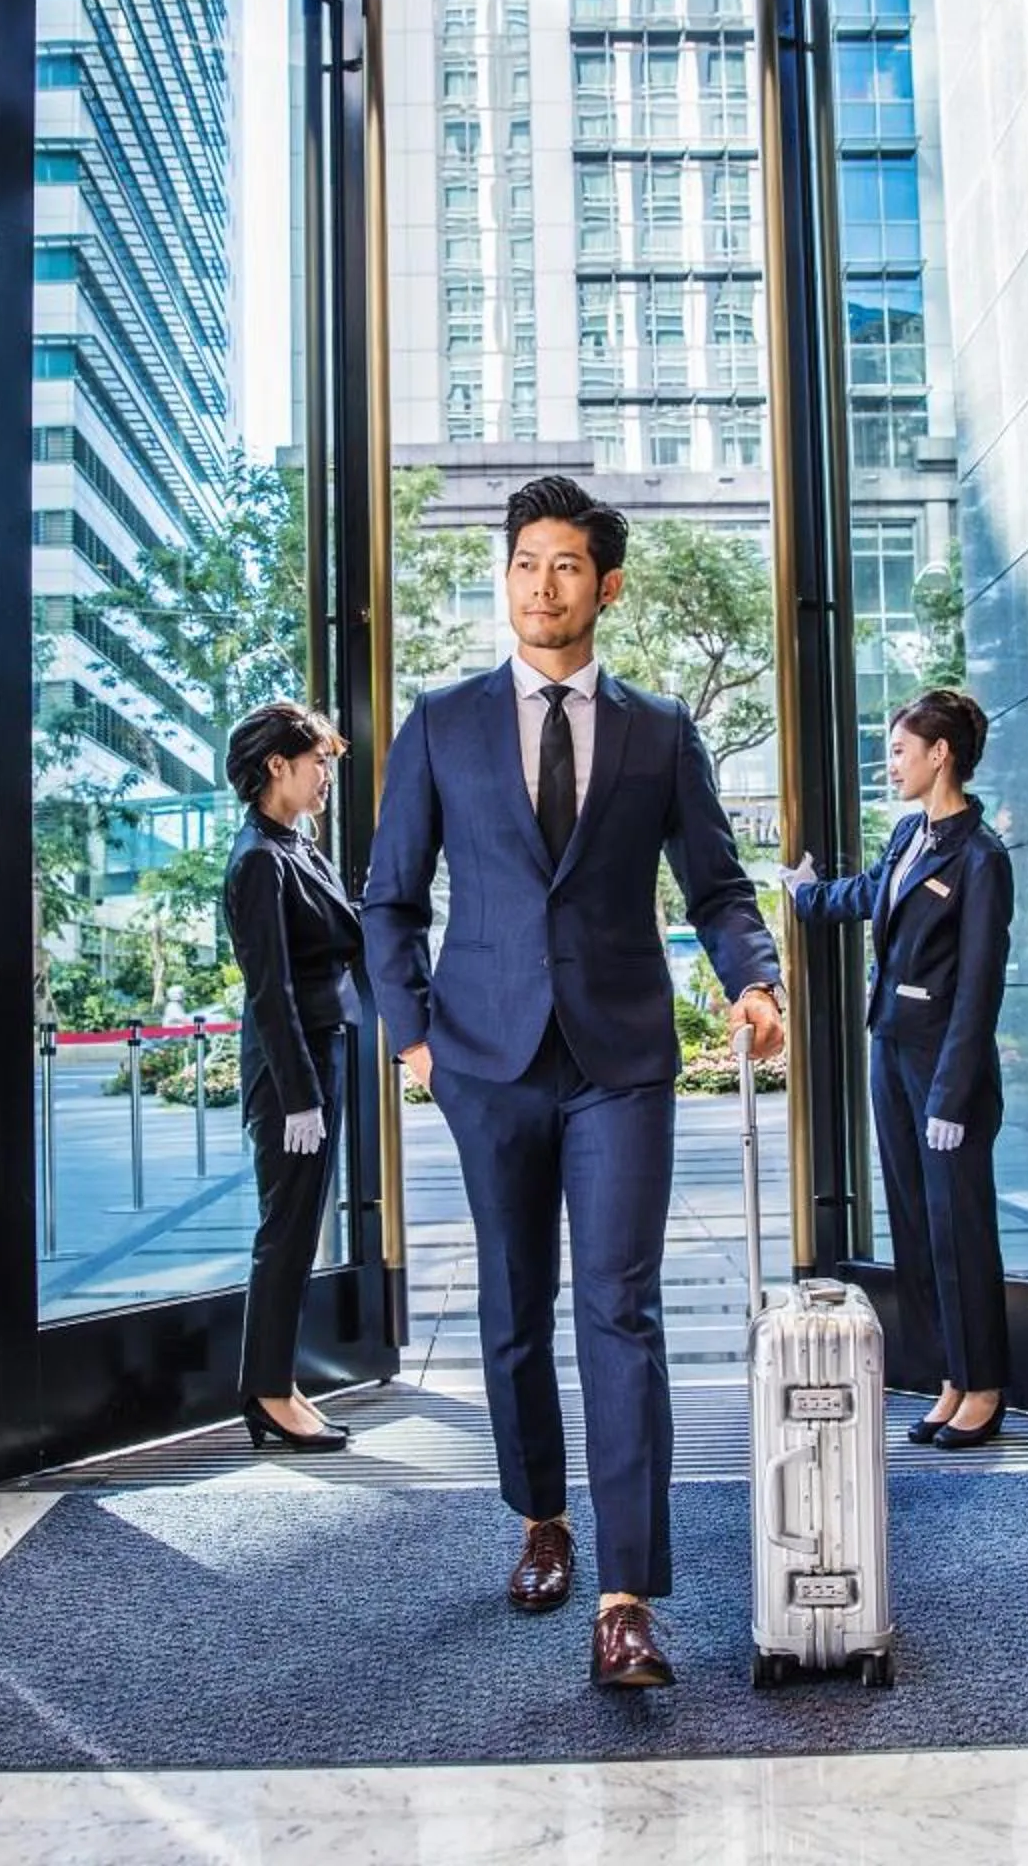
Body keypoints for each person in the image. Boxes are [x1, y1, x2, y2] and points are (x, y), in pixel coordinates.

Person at [362, 475, 785, 1690]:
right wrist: (414, 1041)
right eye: (526, 563)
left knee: (621, 1307)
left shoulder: (658, 730)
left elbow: (715, 886)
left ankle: (626, 1595)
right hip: (485, 1062)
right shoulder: (440, 722)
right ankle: (542, 1514)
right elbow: (390, 898)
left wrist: (751, 980)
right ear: (506, 579)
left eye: (566, 566)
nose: (544, 585)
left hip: (620, 1062)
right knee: (512, 1309)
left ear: (607, 583)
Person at [783, 688, 1013, 1449]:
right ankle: (950, 1376)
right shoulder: (911, 833)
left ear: (939, 754)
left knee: (960, 1230)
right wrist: (805, 894)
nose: (892, 764)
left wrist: (951, 1095)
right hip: (892, 1051)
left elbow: (979, 988)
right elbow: (870, 895)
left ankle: (984, 1386)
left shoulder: (981, 858)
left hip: (946, 1071)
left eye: (901, 750)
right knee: (916, 1224)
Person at [221, 700, 362, 1454]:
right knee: (287, 1231)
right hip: (292, 1072)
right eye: (319, 762)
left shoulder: (297, 846)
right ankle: (269, 1394)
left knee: (299, 1229)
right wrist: (300, 1098)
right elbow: (268, 991)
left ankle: (278, 1381)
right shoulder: (257, 861)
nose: (327, 775)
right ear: (278, 764)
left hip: (321, 1052)